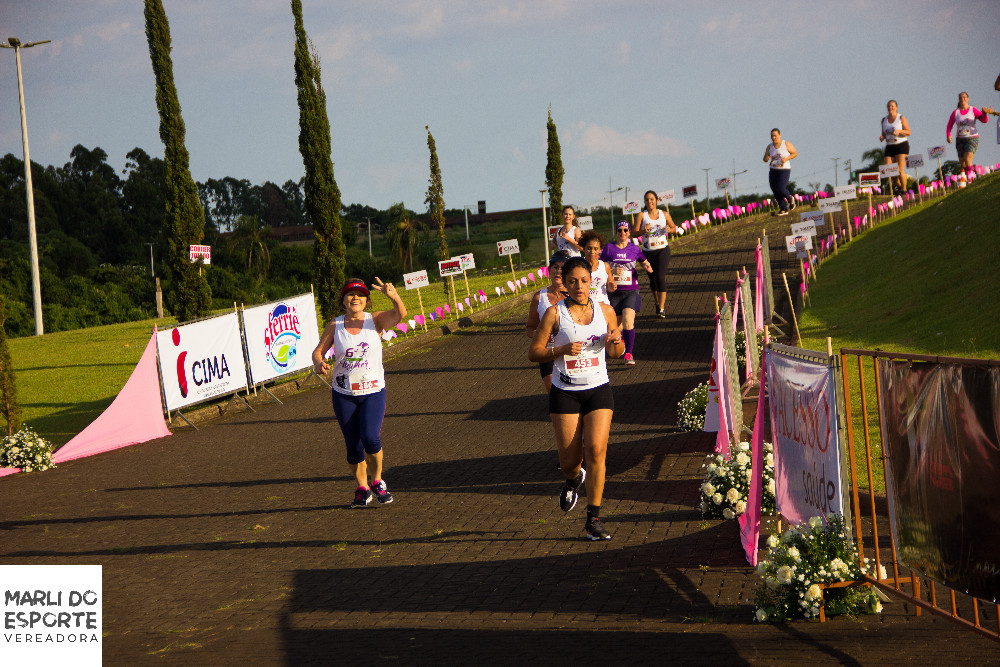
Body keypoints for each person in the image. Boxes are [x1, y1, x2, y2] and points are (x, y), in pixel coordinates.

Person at [528, 256, 624, 540]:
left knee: (596, 450)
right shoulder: (554, 314)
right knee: (571, 461)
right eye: (573, 281)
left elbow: (617, 354)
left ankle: (593, 519)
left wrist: (614, 343)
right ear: (565, 283)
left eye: (584, 281)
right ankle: (572, 478)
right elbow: (534, 352)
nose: (579, 286)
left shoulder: (606, 312)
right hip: (565, 393)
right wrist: (562, 349)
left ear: (591, 282)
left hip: (598, 389)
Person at [312, 277, 406, 508]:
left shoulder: (375, 320)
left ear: (366, 301)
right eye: (350, 294)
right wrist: (318, 363)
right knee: (353, 445)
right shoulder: (336, 325)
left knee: (371, 438)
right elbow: (318, 351)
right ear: (343, 300)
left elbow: (400, 315)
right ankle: (362, 488)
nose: (355, 298)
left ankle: (378, 481)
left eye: (361, 295)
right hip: (343, 393)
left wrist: (394, 297)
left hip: (373, 391)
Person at [600, 220, 652, 366]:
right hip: (614, 292)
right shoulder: (609, 248)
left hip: (631, 291)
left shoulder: (634, 249)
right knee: (614, 326)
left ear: (629, 233)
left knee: (628, 320)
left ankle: (628, 354)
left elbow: (643, 261)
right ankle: (616, 348)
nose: (622, 233)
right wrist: (612, 270)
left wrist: (648, 267)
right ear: (616, 232)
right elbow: (600, 267)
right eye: (620, 230)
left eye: (625, 230)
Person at [526, 251, 571, 393]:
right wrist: (540, 335)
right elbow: (530, 328)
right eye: (555, 267)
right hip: (548, 352)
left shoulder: (576, 295)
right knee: (553, 391)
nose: (558, 271)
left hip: (571, 351)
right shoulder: (539, 297)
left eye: (562, 268)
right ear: (549, 270)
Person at [632, 190, 677, 318]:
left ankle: (661, 308)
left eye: (652, 199)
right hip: (647, 252)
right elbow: (633, 234)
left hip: (662, 250)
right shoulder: (641, 215)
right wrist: (642, 231)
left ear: (657, 200)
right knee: (652, 279)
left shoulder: (664, 214)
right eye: (647, 200)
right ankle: (657, 303)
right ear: (645, 202)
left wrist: (670, 229)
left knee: (660, 277)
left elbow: (674, 228)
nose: (649, 202)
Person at [946, 92, 994, 173]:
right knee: (962, 162)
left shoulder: (973, 110)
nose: (962, 99)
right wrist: (948, 135)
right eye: (960, 97)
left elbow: (984, 120)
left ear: (968, 99)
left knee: (967, 158)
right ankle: (966, 179)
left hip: (972, 137)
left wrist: (985, 113)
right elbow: (949, 125)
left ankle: (971, 179)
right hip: (960, 139)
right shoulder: (956, 112)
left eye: (964, 97)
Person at [762, 128, 798, 216]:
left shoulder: (785, 144)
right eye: (772, 136)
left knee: (781, 188)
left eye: (775, 136)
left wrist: (786, 159)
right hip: (773, 169)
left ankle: (790, 198)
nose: (774, 138)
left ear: (780, 135)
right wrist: (766, 158)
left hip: (784, 170)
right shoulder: (769, 147)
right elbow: (765, 159)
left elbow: (795, 153)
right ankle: (783, 208)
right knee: (774, 189)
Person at [879, 100, 911, 194]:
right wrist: (882, 137)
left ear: (896, 107)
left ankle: (904, 190)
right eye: (889, 106)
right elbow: (884, 134)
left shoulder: (900, 118)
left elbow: (908, 132)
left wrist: (899, 131)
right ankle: (899, 186)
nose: (890, 108)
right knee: (889, 170)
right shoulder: (883, 120)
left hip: (901, 145)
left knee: (900, 169)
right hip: (890, 146)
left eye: (892, 106)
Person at [579, 230, 616, 306]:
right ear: (584, 248)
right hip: (584, 306)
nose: (592, 252)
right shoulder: (578, 265)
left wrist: (612, 287)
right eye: (589, 248)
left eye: (595, 249)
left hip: (603, 305)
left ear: (600, 250)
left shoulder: (605, 266)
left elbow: (610, 286)